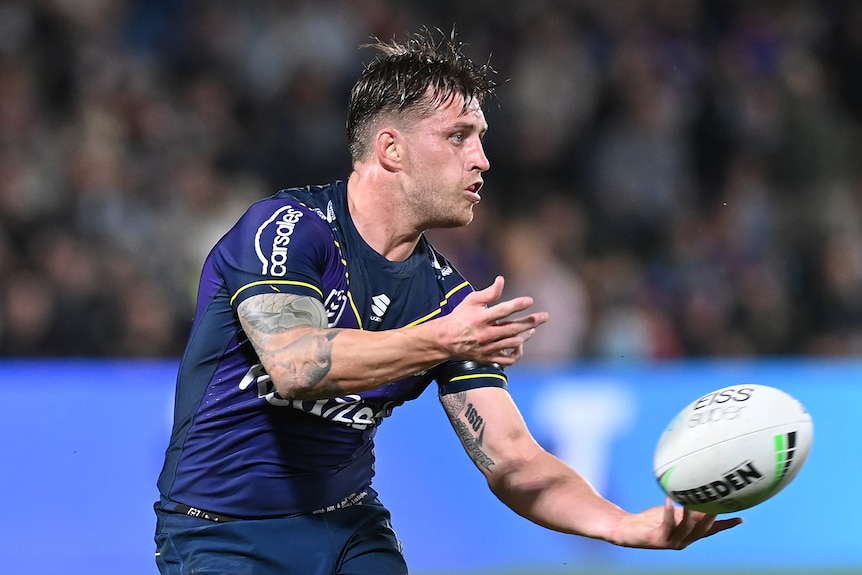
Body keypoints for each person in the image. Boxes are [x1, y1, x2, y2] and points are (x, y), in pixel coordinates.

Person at [153, 28, 742, 575]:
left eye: (481, 139)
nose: (482, 159)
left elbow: (512, 459)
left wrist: (624, 525)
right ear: (391, 149)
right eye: (459, 136)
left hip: (346, 531)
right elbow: (298, 365)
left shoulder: (443, 296)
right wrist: (443, 338)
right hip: (222, 536)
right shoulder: (286, 229)